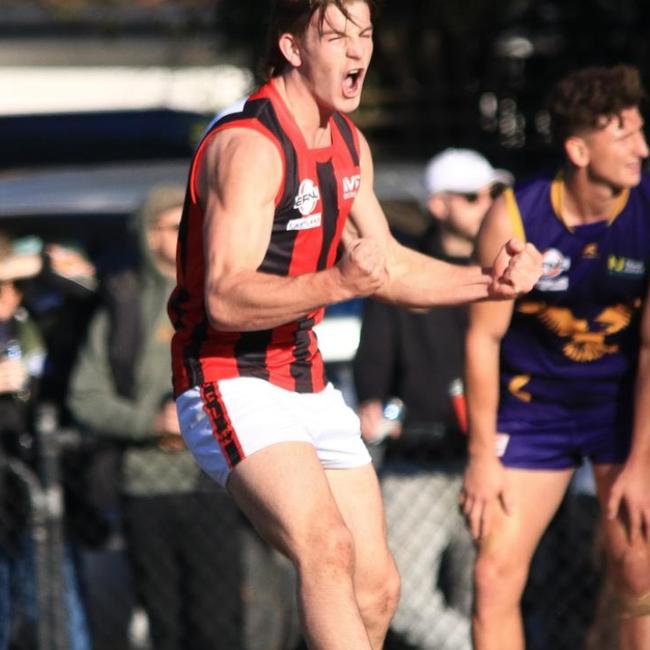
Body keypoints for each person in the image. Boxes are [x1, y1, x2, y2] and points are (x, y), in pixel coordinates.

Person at [168, 2, 542, 649]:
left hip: (305, 379)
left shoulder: (346, 143)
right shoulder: (249, 146)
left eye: (364, 33)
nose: (356, 48)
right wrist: (337, 283)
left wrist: (488, 281)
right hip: (229, 380)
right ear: (291, 47)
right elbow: (226, 298)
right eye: (336, 33)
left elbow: (388, 266)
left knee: (377, 589)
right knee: (327, 547)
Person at [460, 64, 650, 650]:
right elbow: (482, 338)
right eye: (624, 135)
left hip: (622, 412)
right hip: (532, 409)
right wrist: (480, 456)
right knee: (492, 576)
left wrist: (642, 462)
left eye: (641, 131)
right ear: (579, 148)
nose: (642, 148)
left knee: (637, 573)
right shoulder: (516, 217)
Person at [68, 186, 248, 650]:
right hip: (144, 487)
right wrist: (151, 423)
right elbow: (84, 396)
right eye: (174, 226)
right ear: (149, 237)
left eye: (192, 224)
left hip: (215, 484)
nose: (187, 234)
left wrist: (205, 417)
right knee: (165, 625)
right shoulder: (123, 304)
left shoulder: (222, 294)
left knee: (219, 624)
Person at [353, 148, 512, 650]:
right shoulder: (403, 271)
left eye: (494, 195)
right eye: (473, 196)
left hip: (489, 462)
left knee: (484, 591)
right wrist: (376, 404)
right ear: (439, 205)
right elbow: (372, 365)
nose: (488, 206)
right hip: (415, 465)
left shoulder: (509, 269)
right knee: (401, 595)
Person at [0, 233, 92, 650]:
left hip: (39, 475)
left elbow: (85, 292)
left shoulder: (35, 323)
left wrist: (42, 261)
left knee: (57, 600)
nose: (4, 297)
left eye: (7, 287)